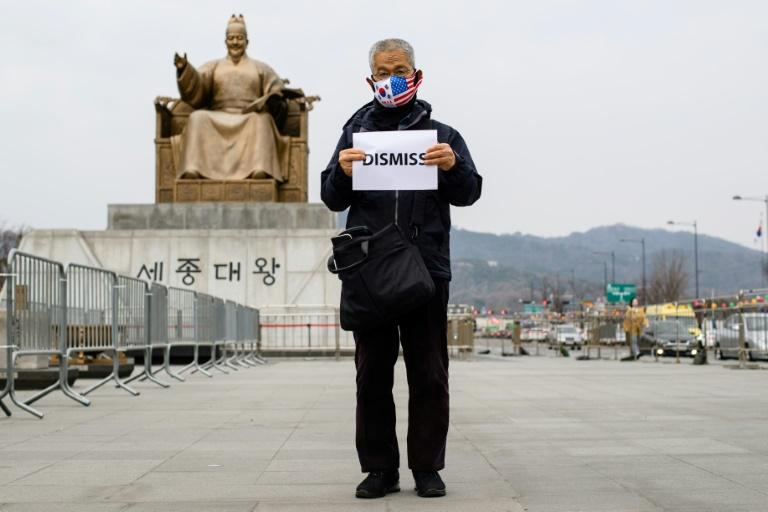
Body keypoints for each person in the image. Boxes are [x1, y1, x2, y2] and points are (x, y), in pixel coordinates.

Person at [320, 38, 483, 499]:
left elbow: (469, 191)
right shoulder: (354, 135)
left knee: (429, 373)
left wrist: (452, 167)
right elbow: (331, 197)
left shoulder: (443, 137)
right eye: (382, 70)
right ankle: (379, 469)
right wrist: (342, 172)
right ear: (370, 79)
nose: (391, 78)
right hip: (370, 272)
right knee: (372, 373)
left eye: (400, 69)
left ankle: (427, 468)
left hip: (425, 270)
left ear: (417, 76)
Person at [172, 14, 289, 181]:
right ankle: (193, 169)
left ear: (247, 42)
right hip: (218, 114)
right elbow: (197, 85)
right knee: (197, 118)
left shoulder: (261, 68)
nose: (235, 42)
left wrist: (273, 97)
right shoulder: (214, 66)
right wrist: (185, 69)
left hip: (249, 116)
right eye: (231, 38)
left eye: (239, 38)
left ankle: (260, 169)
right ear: (225, 41)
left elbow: (277, 90)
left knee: (262, 121)